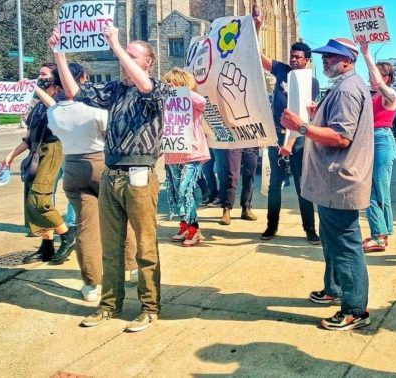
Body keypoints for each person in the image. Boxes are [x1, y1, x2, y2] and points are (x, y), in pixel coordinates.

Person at [53, 25, 168, 333]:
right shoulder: (116, 90)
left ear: (148, 62)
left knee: (145, 246)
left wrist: (116, 45)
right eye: (123, 55)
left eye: (132, 56)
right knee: (111, 245)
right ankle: (109, 304)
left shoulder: (156, 89)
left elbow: (146, 88)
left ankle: (149, 307)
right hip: (111, 174)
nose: (124, 61)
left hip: (139, 175)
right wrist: (59, 54)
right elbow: (75, 93)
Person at [282, 36, 373, 331]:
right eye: (324, 56)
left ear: (347, 60)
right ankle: (334, 289)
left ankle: (355, 309)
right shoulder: (346, 85)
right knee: (333, 240)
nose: (325, 60)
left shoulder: (347, 90)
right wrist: (316, 115)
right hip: (332, 181)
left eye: (331, 56)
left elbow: (341, 137)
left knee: (345, 246)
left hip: (339, 181)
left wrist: (301, 127)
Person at [39, 61, 138, 301]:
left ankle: (91, 284)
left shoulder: (53, 112)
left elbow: (56, 124)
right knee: (120, 215)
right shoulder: (93, 108)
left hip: (73, 165)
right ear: (82, 79)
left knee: (85, 227)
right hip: (101, 161)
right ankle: (132, 265)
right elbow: (109, 132)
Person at [2, 64, 75, 265]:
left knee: (40, 198)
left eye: (44, 74)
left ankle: (67, 236)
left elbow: (57, 111)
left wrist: (34, 88)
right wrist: (11, 155)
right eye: (39, 74)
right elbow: (29, 136)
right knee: (31, 199)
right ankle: (47, 245)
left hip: (53, 149)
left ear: (55, 77)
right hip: (36, 150)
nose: (39, 77)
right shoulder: (38, 106)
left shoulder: (62, 98)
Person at [257, 17, 320, 243]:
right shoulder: (282, 71)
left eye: (298, 57)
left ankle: (309, 229)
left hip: (298, 139)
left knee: (302, 184)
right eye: (292, 56)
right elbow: (259, 57)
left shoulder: (311, 83)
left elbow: (303, 116)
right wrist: (257, 27)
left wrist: (290, 144)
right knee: (274, 184)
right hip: (277, 136)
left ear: (307, 60)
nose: (293, 59)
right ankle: (271, 226)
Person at [355, 36, 396, 252]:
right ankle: (381, 233)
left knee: (380, 190)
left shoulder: (390, 96)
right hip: (370, 141)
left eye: (378, 75)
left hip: (382, 140)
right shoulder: (372, 97)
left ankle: (381, 235)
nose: (372, 79)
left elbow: (380, 85)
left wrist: (366, 54)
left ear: (387, 78)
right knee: (369, 191)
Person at [163, 68, 211, 247]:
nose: (169, 86)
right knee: (177, 193)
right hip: (172, 154)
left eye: (173, 83)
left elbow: (202, 101)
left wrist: (181, 92)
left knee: (185, 191)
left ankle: (194, 229)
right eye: (167, 83)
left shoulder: (192, 102)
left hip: (191, 153)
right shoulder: (166, 102)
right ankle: (184, 225)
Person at [219, 147, 259, 225]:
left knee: (250, 176)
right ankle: (226, 209)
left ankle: (246, 208)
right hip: (233, 145)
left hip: (252, 145)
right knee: (231, 177)